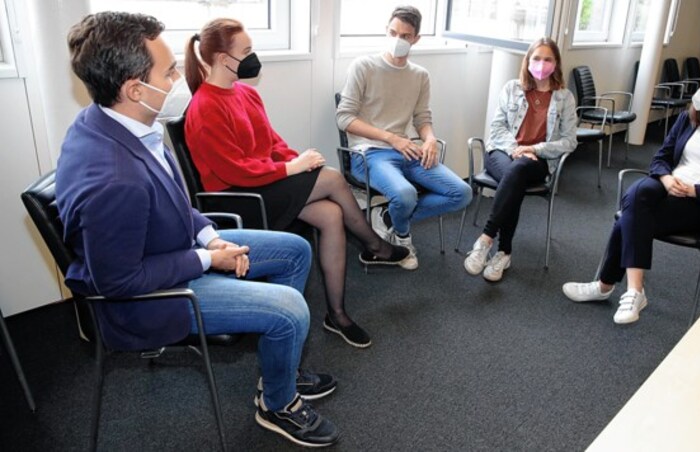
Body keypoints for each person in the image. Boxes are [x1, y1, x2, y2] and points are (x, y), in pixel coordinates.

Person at [57, 12, 339, 447]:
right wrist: (209, 258)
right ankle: (278, 403)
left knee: (295, 251)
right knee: (289, 310)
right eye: (168, 71)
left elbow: (174, 201)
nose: (179, 78)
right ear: (134, 88)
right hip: (148, 298)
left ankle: (279, 372)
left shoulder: (121, 124)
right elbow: (118, 281)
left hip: (171, 251)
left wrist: (209, 235)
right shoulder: (114, 179)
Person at [183, 19, 412, 349]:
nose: (253, 57)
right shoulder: (204, 107)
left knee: (331, 215)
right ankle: (374, 246)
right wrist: (293, 169)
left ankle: (337, 314)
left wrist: (301, 161)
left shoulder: (245, 93)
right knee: (332, 178)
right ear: (222, 58)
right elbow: (234, 171)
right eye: (246, 51)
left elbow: (271, 142)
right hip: (239, 198)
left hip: (261, 183)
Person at [563, 61, 700, 324]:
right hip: (667, 186)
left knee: (630, 214)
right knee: (637, 195)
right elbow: (661, 157)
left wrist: (697, 191)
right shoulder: (689, 118)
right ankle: (635, 291)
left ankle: (605, 285)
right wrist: (667, 178)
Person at [335, 5, 472, 270]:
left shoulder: (420, 75)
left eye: (405, 36)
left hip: (407, 151)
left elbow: (422, 118)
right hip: (369, 153)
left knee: (462, 193)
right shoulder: (363, 66)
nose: (398, 40)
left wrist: (430, 138)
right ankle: (403, 236)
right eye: (392, 32)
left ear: (416, 39)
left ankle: (389, 217)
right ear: (386, 31)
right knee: (405, 194)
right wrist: (391, 138)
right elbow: (345, 118)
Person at [463, 38, 577, 282]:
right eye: (536, 58)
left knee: (518, 170)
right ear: (528, 61)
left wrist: (534, 148)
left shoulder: (564, 97)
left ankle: (485, 239)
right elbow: (496, 128)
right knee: (514, 176)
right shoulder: (512, 88)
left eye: (548, 59)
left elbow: (570, 141)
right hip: (502, 153)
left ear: (556, 64)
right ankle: (503, 252)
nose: (541, 64)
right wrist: (515, 148)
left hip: (538, 160)